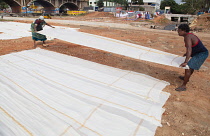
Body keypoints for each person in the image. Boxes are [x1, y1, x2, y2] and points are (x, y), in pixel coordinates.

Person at [176, 24, 209, 91]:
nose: (178, 32)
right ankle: (186, 78)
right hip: (198, 53)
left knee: (188, 67)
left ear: (184, 31)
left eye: (179, 31)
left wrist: (186, 62)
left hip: (201, 54)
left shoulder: (188, 37)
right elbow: (192, 47)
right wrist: (187, 54)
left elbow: (189, 49)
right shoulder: (188, 35)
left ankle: (184, 86)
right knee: (191, 67)